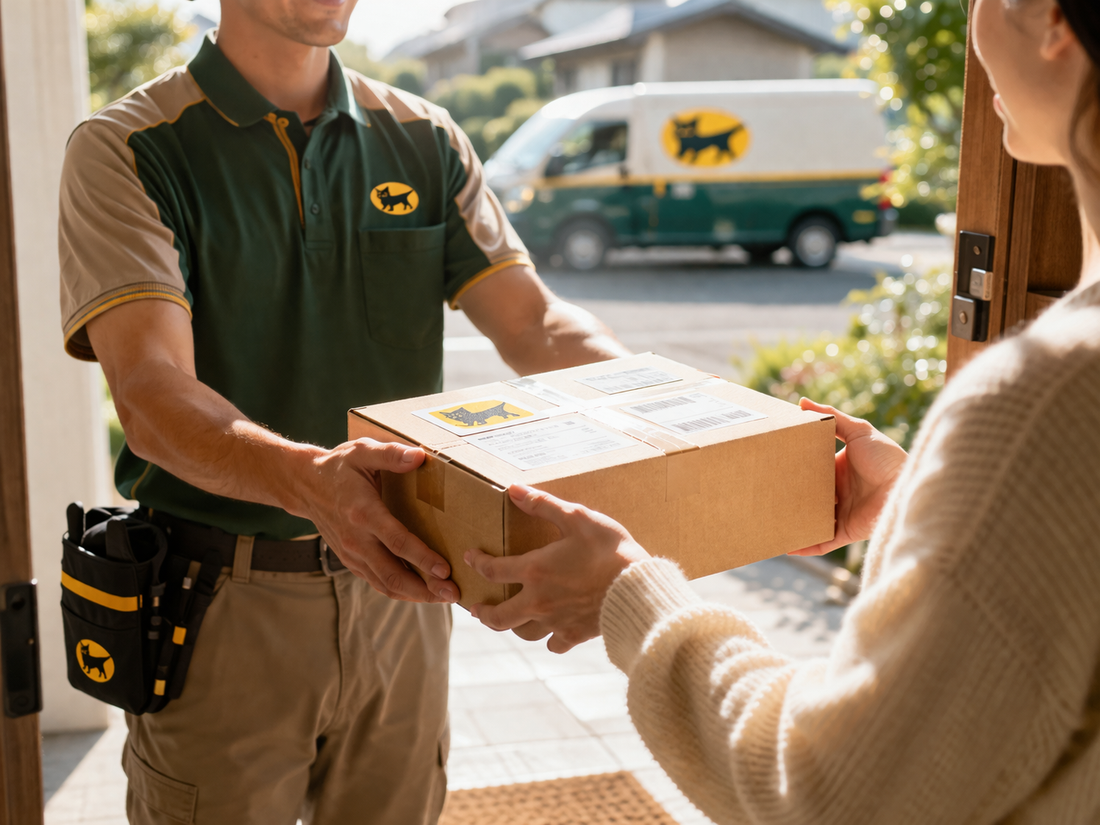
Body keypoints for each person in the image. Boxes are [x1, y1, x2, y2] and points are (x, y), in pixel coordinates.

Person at [465, 0, 1100, 821]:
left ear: (1050, 18)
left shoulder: (1045, 400)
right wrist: (925, 504)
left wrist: (627, 593)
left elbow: (827, 791)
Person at [59, 0, 628, 822]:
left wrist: (685, 411)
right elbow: (151, 395)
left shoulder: (424, 138)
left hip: (410, 594)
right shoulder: (129, 148)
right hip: (223, 605)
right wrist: (314, 483)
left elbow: (538, 324)